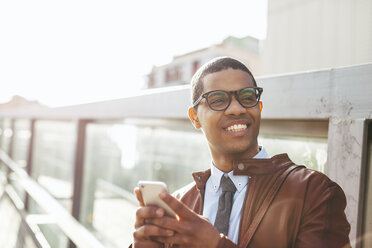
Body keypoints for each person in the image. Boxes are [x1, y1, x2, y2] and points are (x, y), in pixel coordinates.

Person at [131, 57, 351, 248]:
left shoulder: (314, 192)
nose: (237, 108)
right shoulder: (179, 202)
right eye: (218, 100)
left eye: (247, 97)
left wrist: (216, 245)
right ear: (194, 118)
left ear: (259, 107)